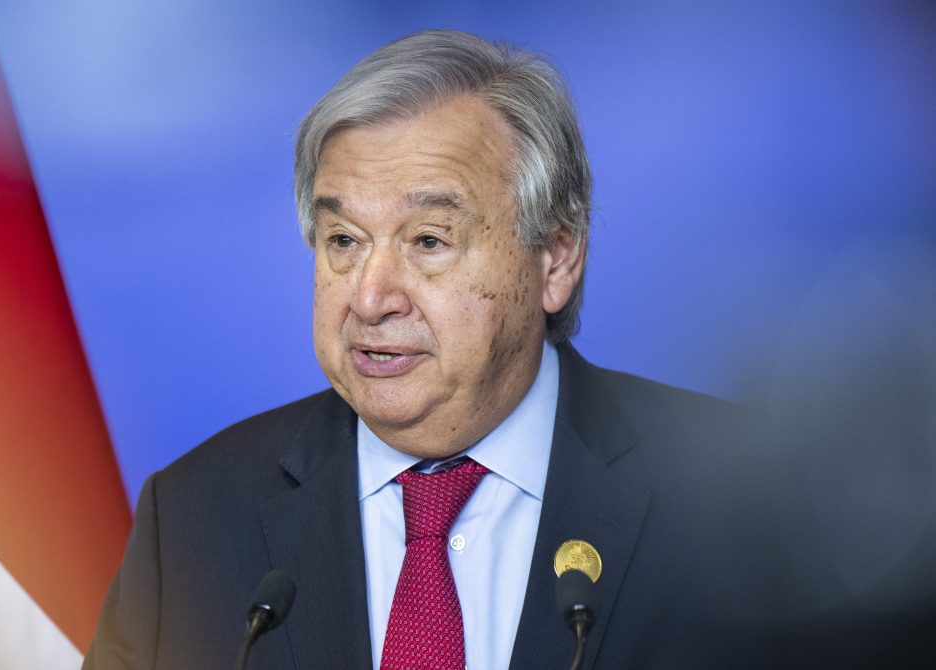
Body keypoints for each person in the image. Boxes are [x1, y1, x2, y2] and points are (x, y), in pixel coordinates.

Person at [84, 29, 754, 669]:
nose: (371, 299)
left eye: (428, 241)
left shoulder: (734, 500)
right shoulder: (195, 520)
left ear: (554, 259)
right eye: (343, 241)